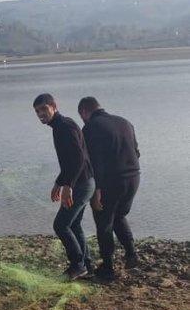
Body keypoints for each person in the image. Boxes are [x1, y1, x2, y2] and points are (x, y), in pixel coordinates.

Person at [78, 96, 140, 281]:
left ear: (84, 112)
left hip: (111, 182)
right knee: (119, 215)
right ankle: (131, 254)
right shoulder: (125, 122)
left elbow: (96, 162)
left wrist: (97, 190)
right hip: (134, 177)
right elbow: (136, 152)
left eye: (81, 116)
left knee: (103, 222)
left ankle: (108, 267)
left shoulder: (90, 128)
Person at [33, 93, 95, 279]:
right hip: (83, 182)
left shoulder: (65, 126)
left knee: (60, 225)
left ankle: (77, 264)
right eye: (37, 111)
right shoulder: (58, 126)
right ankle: (87, 265)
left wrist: (69, 185)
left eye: (44, 109)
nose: (40, 114)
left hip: (82, 184)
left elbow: (79, 159)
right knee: (73, 224)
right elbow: (69, 162)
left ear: (54, 106)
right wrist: (58, 183)